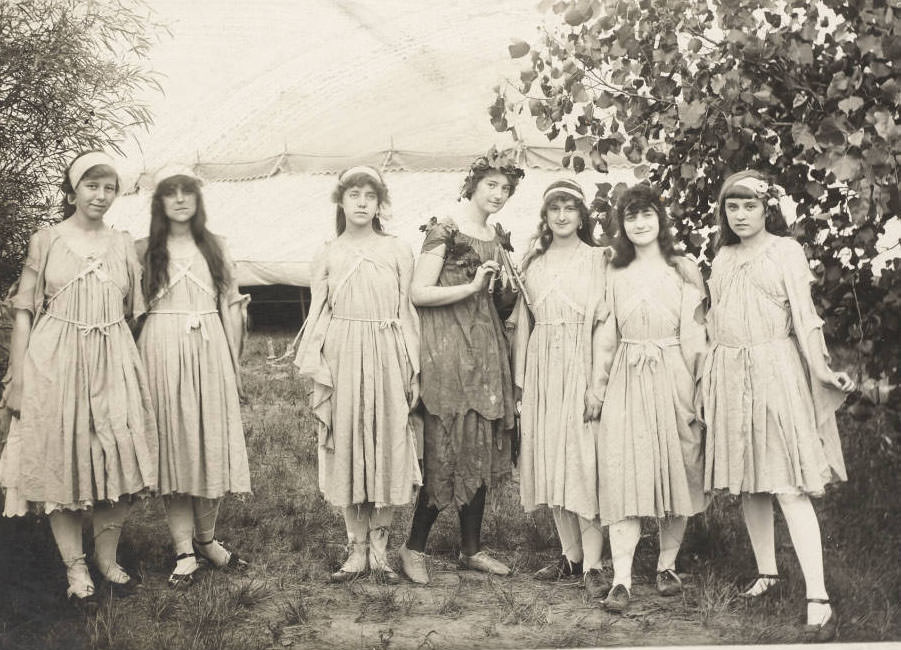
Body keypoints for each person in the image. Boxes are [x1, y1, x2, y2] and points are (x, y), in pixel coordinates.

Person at [0, 151, 158, 608]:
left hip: (112, 355)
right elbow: (26, 312)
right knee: (60, 458)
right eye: (92, 186)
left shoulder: (124, 244)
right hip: (55, 357)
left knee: (118, 455)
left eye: (109, 187)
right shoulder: (46, 239)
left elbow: (135, 313)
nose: (101, 195)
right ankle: (75, 565)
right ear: (73, 191)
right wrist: (20, 379)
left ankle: (107, 558)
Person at [702, 170, 854, 640]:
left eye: (750, 206)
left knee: (788, 484)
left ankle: (819, 597)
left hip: (775, 370)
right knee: (750, 482)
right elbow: (713, 321)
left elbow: (805, 320)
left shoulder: (785, 251)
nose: (741, 215)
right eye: (733, 206)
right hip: (730, 372)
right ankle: (767, 573)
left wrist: (824, 370)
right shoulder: (722, 257)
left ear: (767, 209)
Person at [398, 148, 522, 584]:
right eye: (492, 185)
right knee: (446, 445)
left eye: (506, 189)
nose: (499, 194)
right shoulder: (444, 230)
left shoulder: (498, 236)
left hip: (485, 348)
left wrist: (504, 290)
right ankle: (413, 547)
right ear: (473, 184)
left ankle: (471, 550)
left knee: (481, 443)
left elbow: (497, 304)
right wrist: (472, 286)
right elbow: (419, 292)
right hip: (447, 347)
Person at [294, 165, 421, 583]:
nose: (362, 202)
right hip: (344, 354)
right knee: (348, 445)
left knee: (387, 445)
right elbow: (318, 312)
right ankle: (355, 550)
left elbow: (407, 312)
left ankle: (381, 551)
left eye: (370, 195)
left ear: (380, 203)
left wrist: (413, 368)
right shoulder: (327, 253)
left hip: (386, 351)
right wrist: (318, 364)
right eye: (354, 195)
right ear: (341, 201)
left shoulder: (399, 249)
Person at [594, 184, 708, 613]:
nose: (640, 224)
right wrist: (597, 388)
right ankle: (621, 578)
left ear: (661, 220)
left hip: (674, 371)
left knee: (678, 463)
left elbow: (697, 335)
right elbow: (607, 337)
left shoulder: (683, 268)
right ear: (621, 226)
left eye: (647, 215)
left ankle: (666, 565)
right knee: (625, 467)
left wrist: (700, 388)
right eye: (631, 217)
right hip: (627, 374)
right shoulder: (614, 271)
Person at [136, 167, 251, 588]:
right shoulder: (144, 249)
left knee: (210, 442)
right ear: (160, 201)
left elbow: (230, 307)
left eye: (189, 192)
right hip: (162, 350)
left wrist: (234, 366)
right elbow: (131, 309)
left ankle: (207, 540)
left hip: (209, 349)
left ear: (198, 200)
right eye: (172, 193)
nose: (181, 199)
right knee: (176, 447)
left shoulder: (215, 246)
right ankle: (184, 549)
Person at [510, 179, 609, 598]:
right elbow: (523, 326)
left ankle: (595, 562)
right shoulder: (532, 262)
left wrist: (596, 385)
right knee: (550, 457)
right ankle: (570, 557)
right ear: (546, 217)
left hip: (581, 363)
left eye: (570, 207)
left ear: (582, 215)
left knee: (582, 461)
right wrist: (520, 384)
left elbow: (607, 324)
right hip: (542, 367)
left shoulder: (599, 259)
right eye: (555, 208)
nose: (563, 215)